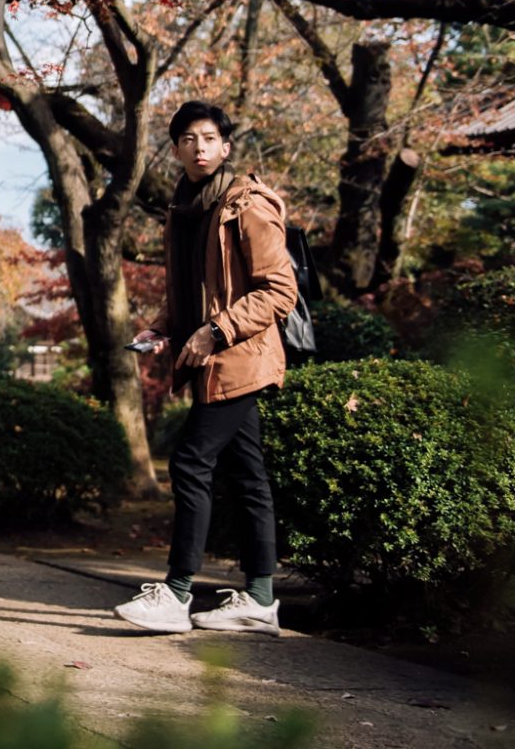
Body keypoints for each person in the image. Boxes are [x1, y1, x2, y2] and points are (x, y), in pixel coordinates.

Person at [115, 100, 299, 637]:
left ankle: (175, 594)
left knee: (191, 463)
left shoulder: (248, 206)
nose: (200, 148)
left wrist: (214, 331)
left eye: (209, 138)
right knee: (247, 476)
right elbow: (194, 292)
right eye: (188, 139)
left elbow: (279, 290)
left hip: (241, 357)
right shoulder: (186, 209)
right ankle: (260, 599)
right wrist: (162, 328)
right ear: (176, 149)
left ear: (226, 146)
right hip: (210, 357)